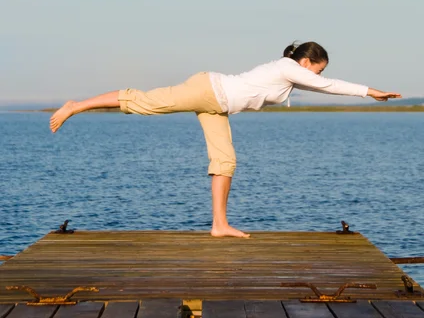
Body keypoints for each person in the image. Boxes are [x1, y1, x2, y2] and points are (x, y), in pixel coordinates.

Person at [49, 41, 401, 238]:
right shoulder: (288, 67)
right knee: (142, 102)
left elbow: (323, 82)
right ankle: (76, 105)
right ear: (306, 61)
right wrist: (371, 92)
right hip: (207, 91)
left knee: (225, 160)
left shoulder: (288, 73)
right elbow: (331, 86)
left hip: (216, 104)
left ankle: (219, 224)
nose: (319, 76)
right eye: (317, 69)